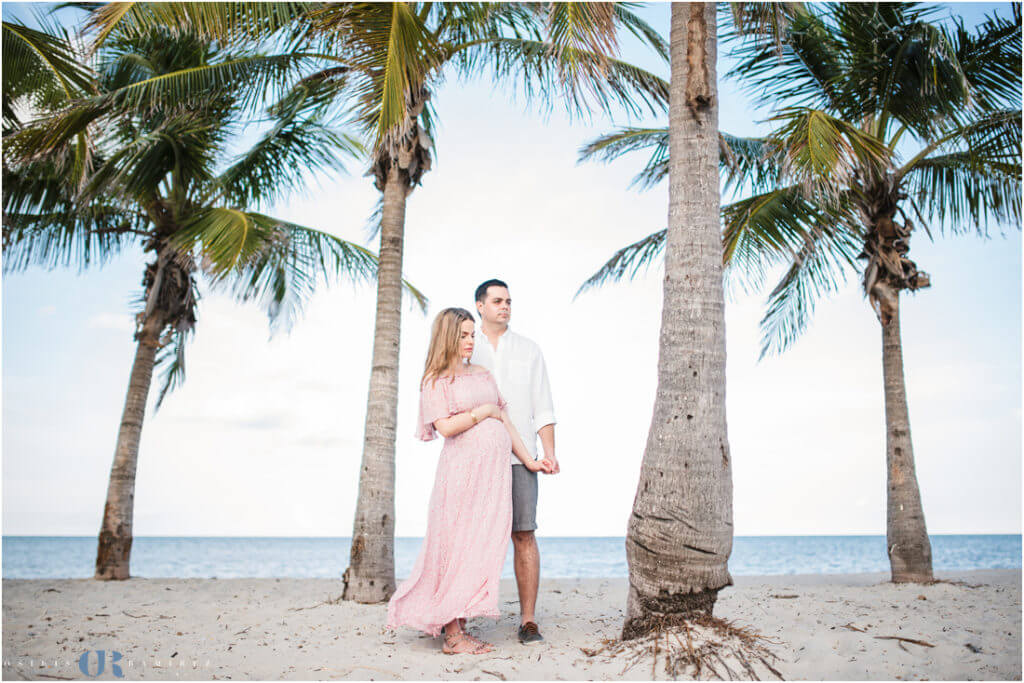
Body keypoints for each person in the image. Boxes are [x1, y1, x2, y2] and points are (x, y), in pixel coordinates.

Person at [386, 307, 552, 655]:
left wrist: (530, 461)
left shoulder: (482, 374)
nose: (469, 341)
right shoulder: (435, 381)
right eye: (463, 335)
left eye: (472, 334)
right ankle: (453, 635)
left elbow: (507, 422)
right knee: (455, 547)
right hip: (460, 476)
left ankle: (459, 623)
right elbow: (445, 427)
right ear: (447, 336)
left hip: (493, 480)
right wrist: (484, 413)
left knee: (480, 548)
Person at [470, 279, 559, 645]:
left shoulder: (529, 350)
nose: (504, 306)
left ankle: (527, 621)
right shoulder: (466, 348)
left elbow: (543, 406)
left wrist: (549, 452)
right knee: (471, 537)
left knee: (524, 534)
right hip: (475, 459)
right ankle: (459, 616)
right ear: (480, 306)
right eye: (496, 301)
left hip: (520, 460)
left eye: (508, 301)